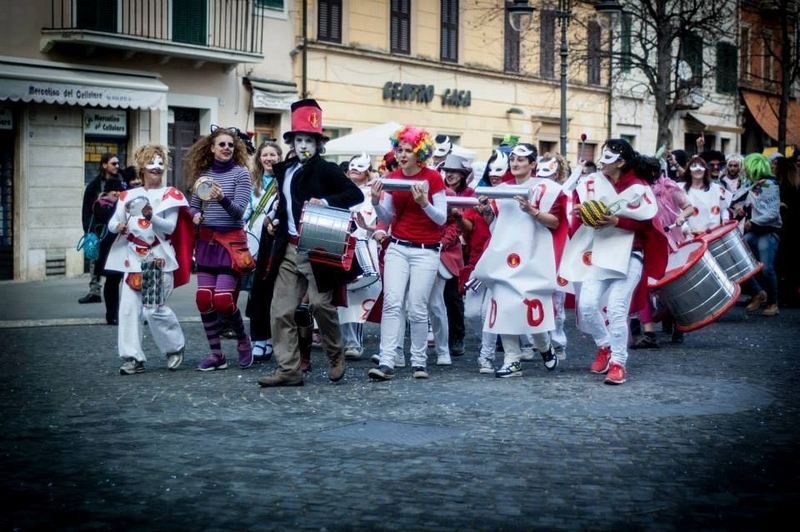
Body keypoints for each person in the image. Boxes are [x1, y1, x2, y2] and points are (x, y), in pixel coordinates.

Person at [257, 99, 364, 387]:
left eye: (310, 140)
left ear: (318, 144)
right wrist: (274, 220)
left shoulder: (325, 169)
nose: (304, 145)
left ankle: (334, 353)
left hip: (317, 246)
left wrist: (326, 201)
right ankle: (289, 369)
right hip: (288, 248)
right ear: (292, 142)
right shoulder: (286, 169)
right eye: (299, 139)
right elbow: (285, 204)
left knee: (320, 305)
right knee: (280, 310)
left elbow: (355, 195)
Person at [560, 139, 668, 385]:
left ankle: (618, 363)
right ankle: (605, 346)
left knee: (617, 309)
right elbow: (582, 211)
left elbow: (647, 224)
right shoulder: (591, 183)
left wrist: (617, 221)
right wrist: (582, 214)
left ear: (621, 162)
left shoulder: (640, 187)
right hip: (599, 252)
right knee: (587, 305)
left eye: (607, 160)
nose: (601, 163)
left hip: (631, 253)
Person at [472, 143, 567, 378]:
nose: (515, 163)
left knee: (529, 308)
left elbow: (555, 223)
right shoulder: (501, 190)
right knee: (505, 307)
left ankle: (545, 348)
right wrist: (486, 212)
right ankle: (512, 360)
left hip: (534, 256)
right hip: (504, 256)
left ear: (532, 164)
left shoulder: (547, 189)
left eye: (521, 160)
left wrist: (531, 210)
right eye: (512, 159)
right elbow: (496, 224)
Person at [105, 145, 193, 375]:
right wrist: (119, 226)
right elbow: (112, 223)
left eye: (160, 162)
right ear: (142, 166)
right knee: (128, 309)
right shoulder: (128, 195)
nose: (156, 167)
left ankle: (174, 347)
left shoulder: (170, 194)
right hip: (131, 258)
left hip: (155, 258)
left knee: (152, 309)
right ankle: (132, 358)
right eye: (151, 162)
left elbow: (170, 227)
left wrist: (151, 216)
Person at [367, 126, 446, 381]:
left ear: (420, 153)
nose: (402, 155)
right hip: (398, 247)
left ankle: (419, 361)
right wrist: (376, 202)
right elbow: (387, 218)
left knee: (418, 308)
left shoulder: (433, 178)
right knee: (391, 302)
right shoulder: (393, 178)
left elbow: (442, 218)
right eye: (399, 150)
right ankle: (388, 360)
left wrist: (424, 204)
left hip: (426, 250)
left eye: (408, 150)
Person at [188, 125, 255, 371]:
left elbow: (239, 211)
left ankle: (243, 341)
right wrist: (195, 215)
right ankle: (216, 354)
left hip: (231, 243)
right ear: (212, 148)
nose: (226, 148)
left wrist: (220, 198)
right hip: (207, 241)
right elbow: (193, 206)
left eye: (230, 144)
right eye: (221, 144)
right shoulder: (203, 175)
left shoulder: (241, 174)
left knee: (224, 301)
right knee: (204, 298)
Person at [634, 156, 694, 349]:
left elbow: (689, 208)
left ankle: (677, 323)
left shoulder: (670, 187)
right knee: (642, 285)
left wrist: (681, 218)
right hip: (648, 244)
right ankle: (649, 332)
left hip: (672, 243)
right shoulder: (639, 189)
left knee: (672, 286)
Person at [340, 152, 380, 361]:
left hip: (366, 246)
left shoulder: (374, 192)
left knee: (359, 293)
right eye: (352, 166)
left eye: (359, 166)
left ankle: (355, 342)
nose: (354, 169)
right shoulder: (342, 190)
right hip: (344, 245)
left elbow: (380, 222)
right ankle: (348, 341)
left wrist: (368, 227)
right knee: (345, 293)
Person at [245, 140, 282, 361]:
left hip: (275, 242)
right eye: (265, 155)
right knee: (254, 294)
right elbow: (246, 211)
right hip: (253, 242)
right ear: (259, 159)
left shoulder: (285, 180)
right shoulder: (253, 182)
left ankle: (270, 338)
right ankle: (258, 337)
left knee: (273, 293)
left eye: (273, 155)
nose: (269, 159)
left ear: (279, 157)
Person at [735, 153, 782, 316]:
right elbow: (751, 203)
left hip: (767, 232)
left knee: (767, 269)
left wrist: (753, 222)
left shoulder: (769, 184)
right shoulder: (758, 184)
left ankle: (773, 303)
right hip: (754, 232)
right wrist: (741, 207)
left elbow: (773, 213)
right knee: (741, 262)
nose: (744, 170)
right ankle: (758, 293)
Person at [439, 153, 473, 357]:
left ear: (462, 175)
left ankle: (457, 336)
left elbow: (469, 223)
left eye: (454, 172)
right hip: (437, 244)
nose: (450, 175)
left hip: (458, 249)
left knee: (453, 295)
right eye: (447, 171)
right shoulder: (437, 189)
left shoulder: (470, 194)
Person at [80, 152, 120, 304]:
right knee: (94, 259)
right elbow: (86, 209)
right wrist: (88, 230)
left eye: (117, 163)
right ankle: (95, 291)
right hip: (99, 229)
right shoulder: (94, 185)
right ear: (104, 165)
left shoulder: (120, 181)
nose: (117, 166)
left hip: (117, 229)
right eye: (113, 163)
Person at [92, 177, 125, 325]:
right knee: (112, 281)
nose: (117, 194)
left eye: (119, 191)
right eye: (114, 192)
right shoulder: (101, 204)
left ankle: (124, 313)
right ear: (107, 192)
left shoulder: (122, 204)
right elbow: (106, 219)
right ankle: (111, 314)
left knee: (127, 282)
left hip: (122, 247)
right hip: (107, 249)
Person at [773, 154, 800, 307]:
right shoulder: (791, 184)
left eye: (775, 164)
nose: (772, 167)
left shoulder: (784, 186)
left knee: (786, 262)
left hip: (788, 228)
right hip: (790, 228)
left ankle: (787, 295)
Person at [682, 155, 732, 236]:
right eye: (694, 166)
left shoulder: (717, 189)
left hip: (715, 235)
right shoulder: (682, 190)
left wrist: (725, 219)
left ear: (705, 170)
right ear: (689, 171)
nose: (698, 169)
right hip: (693, 238)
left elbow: (724, 208)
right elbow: (678, 215)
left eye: (701, 166)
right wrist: (686, 229)